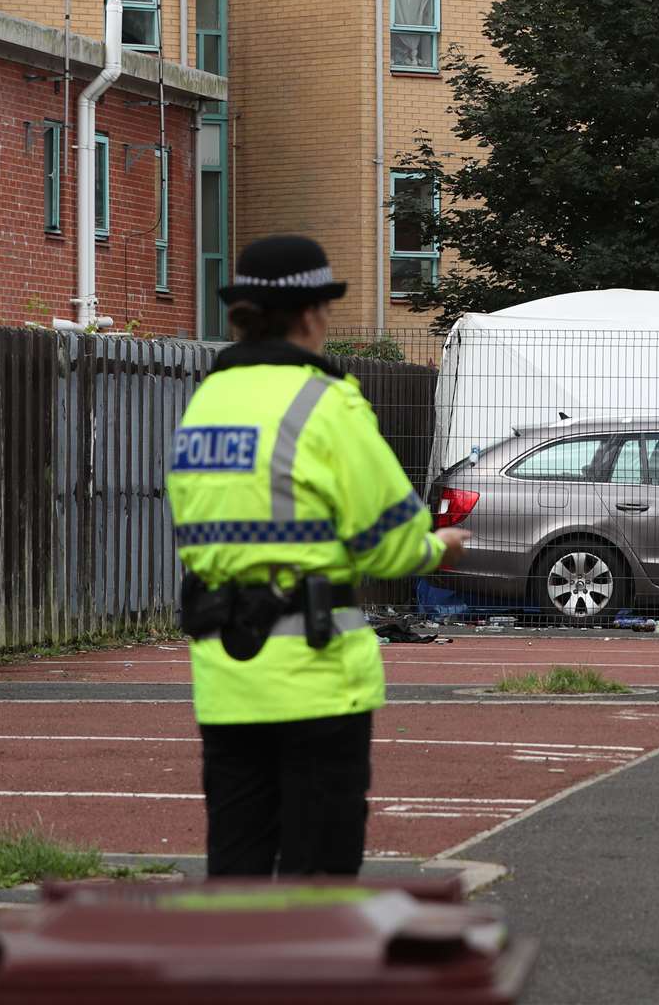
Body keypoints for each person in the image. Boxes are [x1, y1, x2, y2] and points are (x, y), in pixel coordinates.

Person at [167, 234, 470, 876]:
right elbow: (387, 541)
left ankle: (238, 975)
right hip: (316, 674)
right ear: (310, 314)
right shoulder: (326, 403)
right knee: (320, 874)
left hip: (225, 672)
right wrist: (433, 547)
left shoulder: (204, 405)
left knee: (237, 863)